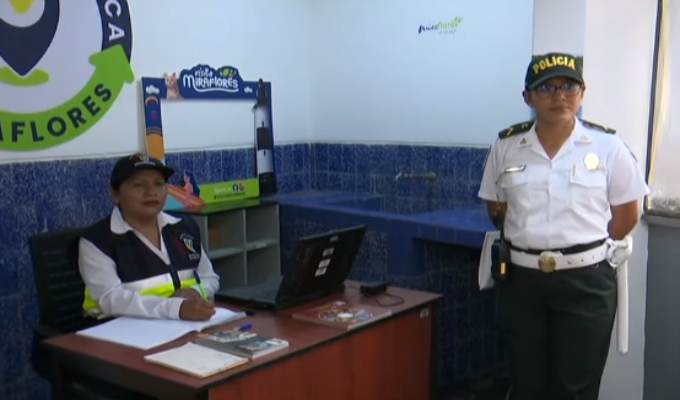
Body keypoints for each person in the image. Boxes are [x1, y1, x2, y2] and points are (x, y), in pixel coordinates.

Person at [478, 52, 649, 400]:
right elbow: (497, 207)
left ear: (582, 92)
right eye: (546, 88)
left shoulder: (608, 146)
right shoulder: (506, 145)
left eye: (569, 86)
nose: (559, 96)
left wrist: (583, 249)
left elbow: (627, 215)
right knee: (527, 385)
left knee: (576, 389)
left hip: (586, 284)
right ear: (527, 97)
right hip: (521, 283)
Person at [78, 153, 220, 321]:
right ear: (115, 194)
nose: (151, 192)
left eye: (159, 184)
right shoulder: (97, 241)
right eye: (138, 185)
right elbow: (111, 299)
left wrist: (195, 292)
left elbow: (210, 278)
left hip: (181, 324)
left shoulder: (184, 228)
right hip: (118, 329)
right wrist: (176, 308)